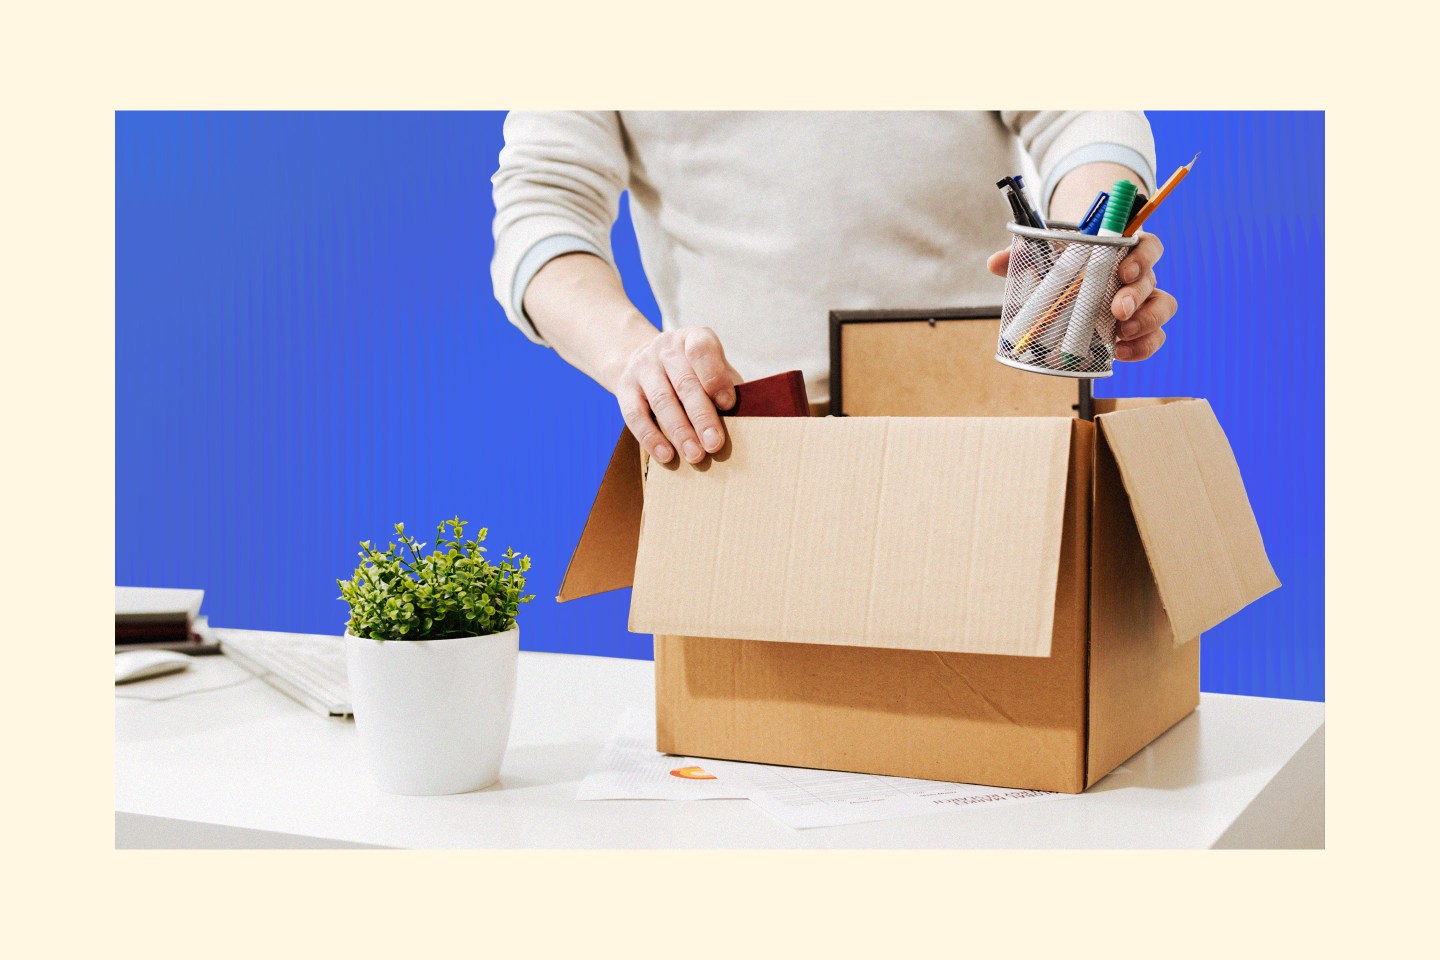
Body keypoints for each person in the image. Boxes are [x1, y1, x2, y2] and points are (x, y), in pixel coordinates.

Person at [492, 111, 1174, 465]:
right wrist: (635, 358)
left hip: (991, 425)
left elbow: (1082, 109)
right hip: (750, 446)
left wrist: (1085, 256)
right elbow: (542, 211)